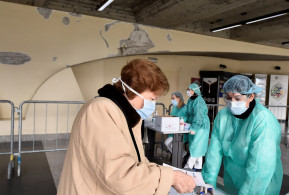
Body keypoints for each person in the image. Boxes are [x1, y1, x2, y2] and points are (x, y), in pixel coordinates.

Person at [57, 59, 195, 195]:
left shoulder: (128, 116)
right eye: (152, 99)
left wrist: (166, 175)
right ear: (133, 90)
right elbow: (119, 174)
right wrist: (171, 177)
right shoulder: (100, 110)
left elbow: (136, 161)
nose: (153, 105)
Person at [202, 75, 283, 195]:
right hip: (232, 180)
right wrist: (208, 181)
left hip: (260, 185)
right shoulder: (223, 115)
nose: (232, 103)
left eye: (237, 98)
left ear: (251, 96)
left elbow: (260, 166)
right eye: (228, 98)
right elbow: (214, 151)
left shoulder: (263, 121)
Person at [184, 83, 210, 170]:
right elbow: (188, 113)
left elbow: (198, 116)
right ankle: (198, 167)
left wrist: (194, 127)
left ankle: (187, 168)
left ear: (194, 90)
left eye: (189, 89)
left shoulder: (198, 101)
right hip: (194, 124)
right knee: (197, 147)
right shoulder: (190, 100)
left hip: (201, 126)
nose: (188, 91)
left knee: (196, 146)